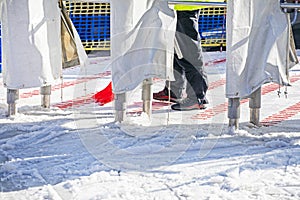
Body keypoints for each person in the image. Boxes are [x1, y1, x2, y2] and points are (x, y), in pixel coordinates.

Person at [153, 0, 223, 111]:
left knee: (189, 52)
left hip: (185, 5)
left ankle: (196, 97)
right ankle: (174, 90)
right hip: (177, 6)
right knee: (175, 48)